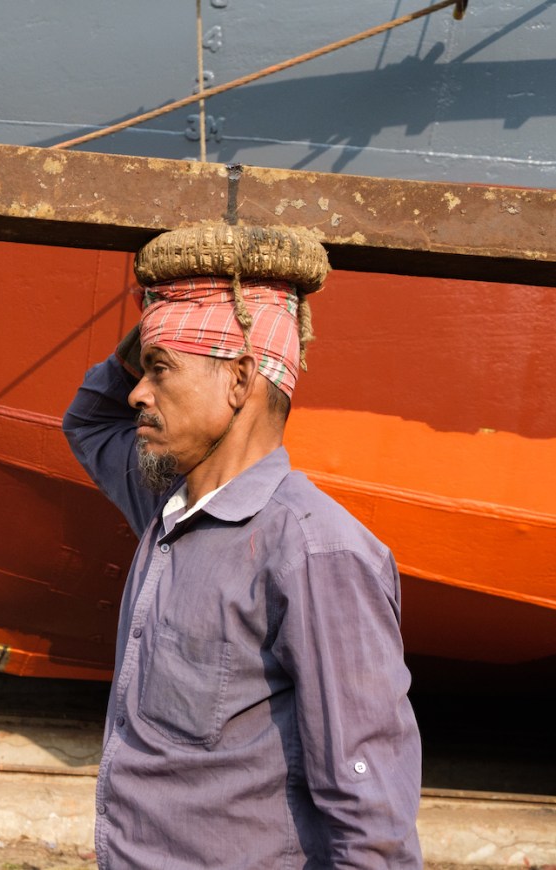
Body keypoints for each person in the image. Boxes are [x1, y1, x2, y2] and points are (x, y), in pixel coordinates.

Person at [62, 229, 422, 868]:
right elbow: (88, 422)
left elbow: (369, 806)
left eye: (161, 370)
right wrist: (151, 333)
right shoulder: (167, 507)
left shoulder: (315, 553)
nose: (138, 393)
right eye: (141, 372)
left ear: (239, 381)